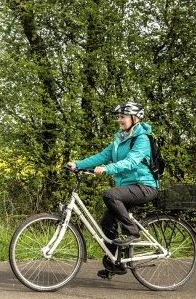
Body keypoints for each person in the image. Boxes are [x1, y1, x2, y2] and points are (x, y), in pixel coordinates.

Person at [67, 101, 158, 278]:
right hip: (128, 188)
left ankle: (133, 233)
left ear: (135, 118)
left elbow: (131, 162)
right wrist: (77, 164)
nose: (119, 120)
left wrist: (108, 169)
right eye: (118, 117)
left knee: (109, 194)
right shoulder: (120, 139)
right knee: (106, 222)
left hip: (145, 186)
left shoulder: (142, 139)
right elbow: (102, 156)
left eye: (122, 117)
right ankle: (116, 263)